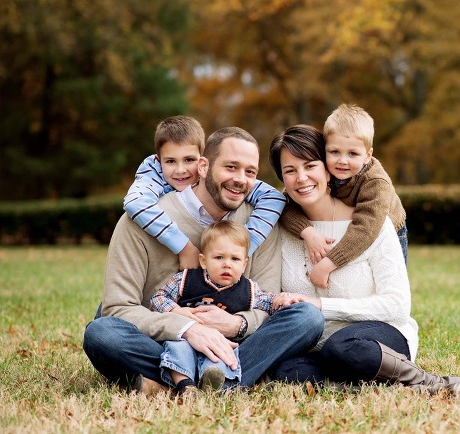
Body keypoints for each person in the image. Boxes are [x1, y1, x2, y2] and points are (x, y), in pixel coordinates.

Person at [83, 127, 325, 395]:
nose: (240, 179)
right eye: (231, 167)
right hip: (163, 341)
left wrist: (237, 324)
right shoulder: (142, 219)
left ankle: (182, 382)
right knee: (102, 333)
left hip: (232, 345)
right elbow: (119, 308)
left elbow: (266, 303)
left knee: (307, 319)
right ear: (203, 166)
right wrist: (188, 329)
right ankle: (222, 381)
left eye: (250, 172)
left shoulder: (260, 223)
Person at [267, 125, 460, 394]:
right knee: (286, 369)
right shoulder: (280, 229)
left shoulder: (371, 225)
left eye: (310, 166)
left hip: (373, 337)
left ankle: (427, 381)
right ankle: (360, 388)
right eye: (290, 171)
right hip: (315, 346)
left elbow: (397, 306)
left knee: (343, 348)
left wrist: (320, 305)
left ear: (328, 169)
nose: (301, 178)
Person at [124, 115, 287, 270]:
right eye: (170, 161)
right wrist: (184, 247)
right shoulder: (154, 173)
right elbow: (135, 202)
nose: (181, 170)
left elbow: (273, 197)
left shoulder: (226, 180)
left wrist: (243, 247)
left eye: (189, 160)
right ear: (159, 161)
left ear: (203, 161)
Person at [279, 104, 407, 289]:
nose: (342, 161)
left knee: (391, 282)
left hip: (385, 227)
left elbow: (365, 229)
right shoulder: (326, 171)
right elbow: (284, 205)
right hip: (354, 222)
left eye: (353, 154)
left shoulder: (376, 183)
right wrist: (308, 232)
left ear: (367, 156)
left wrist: (329, 263)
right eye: (334, 152)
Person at [150, 220, 284, 396]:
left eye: (235, 259)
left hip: (220, 343)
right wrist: (177, 311)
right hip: (186, 339)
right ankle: (185, 386)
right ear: (203, 261)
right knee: (178, 348)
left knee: (222, 357)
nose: (227, 264)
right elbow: (158, 298)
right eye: (219, 257)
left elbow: (269, 304)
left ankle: (212, 386)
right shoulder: (185, 280)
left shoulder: (249, 290)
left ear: (244, 265)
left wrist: (283, 300)